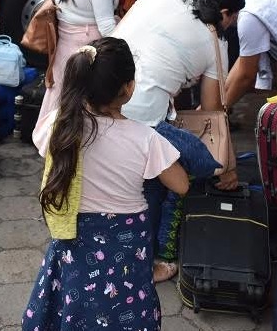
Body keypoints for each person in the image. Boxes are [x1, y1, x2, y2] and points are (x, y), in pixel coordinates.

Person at [24, 37, 189, 331]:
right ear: (129, 88)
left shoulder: (59, 126)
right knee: (125, 304)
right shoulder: (145, 138)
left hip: (76, 235)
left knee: (77, 299)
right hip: (127, 244)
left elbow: (43, 148)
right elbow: (181, 185)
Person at [111, 0, 245, 281]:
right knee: (179, 175)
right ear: (224, 12)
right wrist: (227, 166)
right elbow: (212, 112)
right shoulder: (216, 41)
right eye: (234, 18)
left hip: (97, 98)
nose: (233, 25)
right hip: (141, 114)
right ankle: (162, 257)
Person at [36, 0, 124, 123]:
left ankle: (55, 148)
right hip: (89, 49)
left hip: (64, 46)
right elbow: (107, 28)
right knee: (83, 108)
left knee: (62, 102)